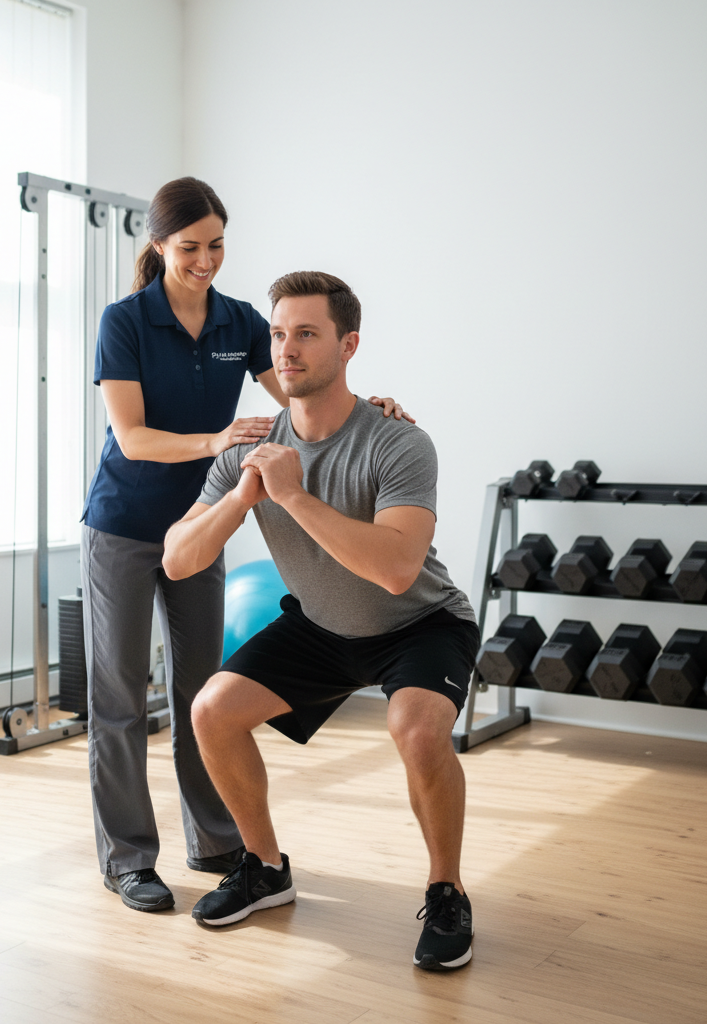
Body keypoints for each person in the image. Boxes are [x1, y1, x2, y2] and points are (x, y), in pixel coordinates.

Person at [80, 179, 413, 915]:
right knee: (121, 699)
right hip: (126, 527)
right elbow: (131, 437)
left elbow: (300, 392)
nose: (206, 260)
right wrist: (217, 441)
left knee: (203, 694)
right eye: (191, 247)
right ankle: (129, 859)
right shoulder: (125, 321)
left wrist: (374, 408)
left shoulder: (237, 321)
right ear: (160, 244)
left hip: (204, 522)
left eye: (217, 245)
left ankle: (217, 841)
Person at [162, 270, 480, 970]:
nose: (287, 349)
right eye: (278, 334)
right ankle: (266, 868)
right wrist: (241, 496)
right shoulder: (250, 444)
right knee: (212, 708)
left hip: (419, 622)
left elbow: (398, 567)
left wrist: (295, 498)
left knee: (417, 729)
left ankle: (447, 889)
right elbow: (179, 559)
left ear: (349, 344)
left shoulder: (397, 441)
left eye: (307, 333)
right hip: (321, 624)